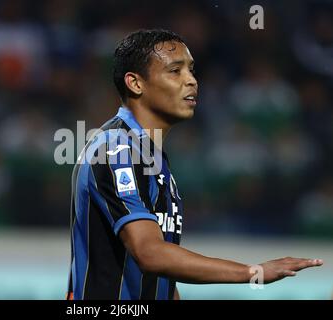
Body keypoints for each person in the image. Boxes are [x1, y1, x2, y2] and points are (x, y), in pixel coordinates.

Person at [66, 29, 323, 300]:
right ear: (135, 83)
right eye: (175, 71)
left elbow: (160, 275)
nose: (191, 81)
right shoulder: (116, 149)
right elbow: (150, 253)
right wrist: (254, 272)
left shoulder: (151, 157)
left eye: (191, 70)